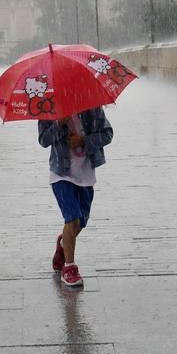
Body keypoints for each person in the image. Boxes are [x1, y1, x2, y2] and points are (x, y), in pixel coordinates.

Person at [38, 107, 113, 288]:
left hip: (86, 174)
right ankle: (69, 268)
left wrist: (83, 141)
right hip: (61, 173)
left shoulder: (93, 108)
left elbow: (107, 134)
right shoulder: (48, 106)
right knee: (71, 218)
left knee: (80, 222)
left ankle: (64, 242)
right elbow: (43, 140)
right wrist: (58, 123)